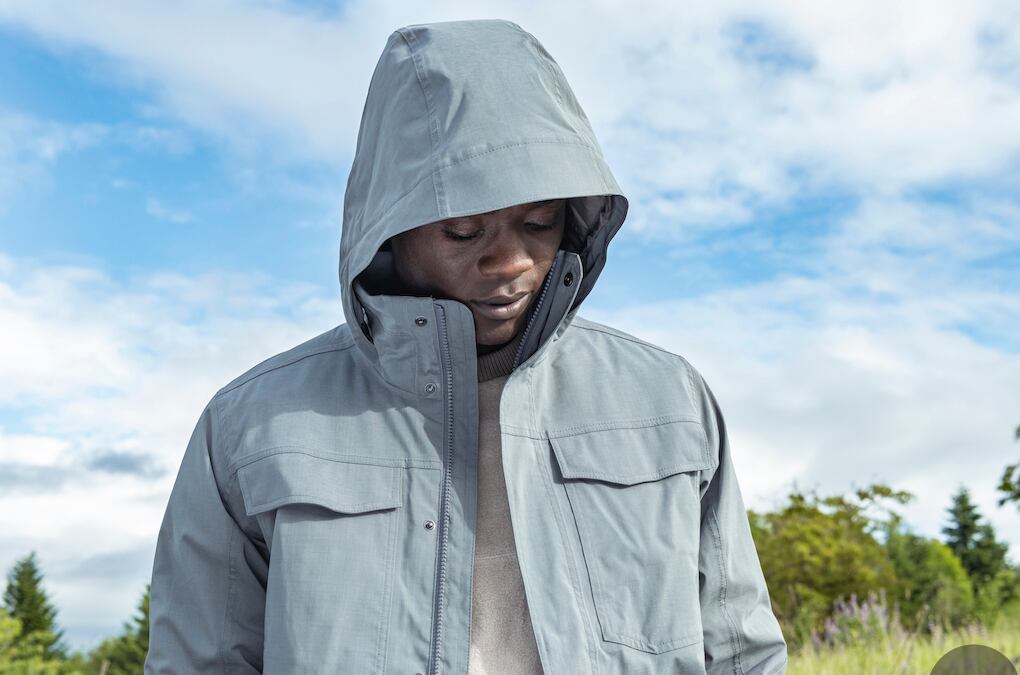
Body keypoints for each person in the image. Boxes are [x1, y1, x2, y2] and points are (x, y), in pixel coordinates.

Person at [145, 18, 788, 675]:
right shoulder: (252, 426)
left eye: (538, 223)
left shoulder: (668, 401)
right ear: (388, 228)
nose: (510, 261)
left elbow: (743, 655)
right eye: (462, 230)